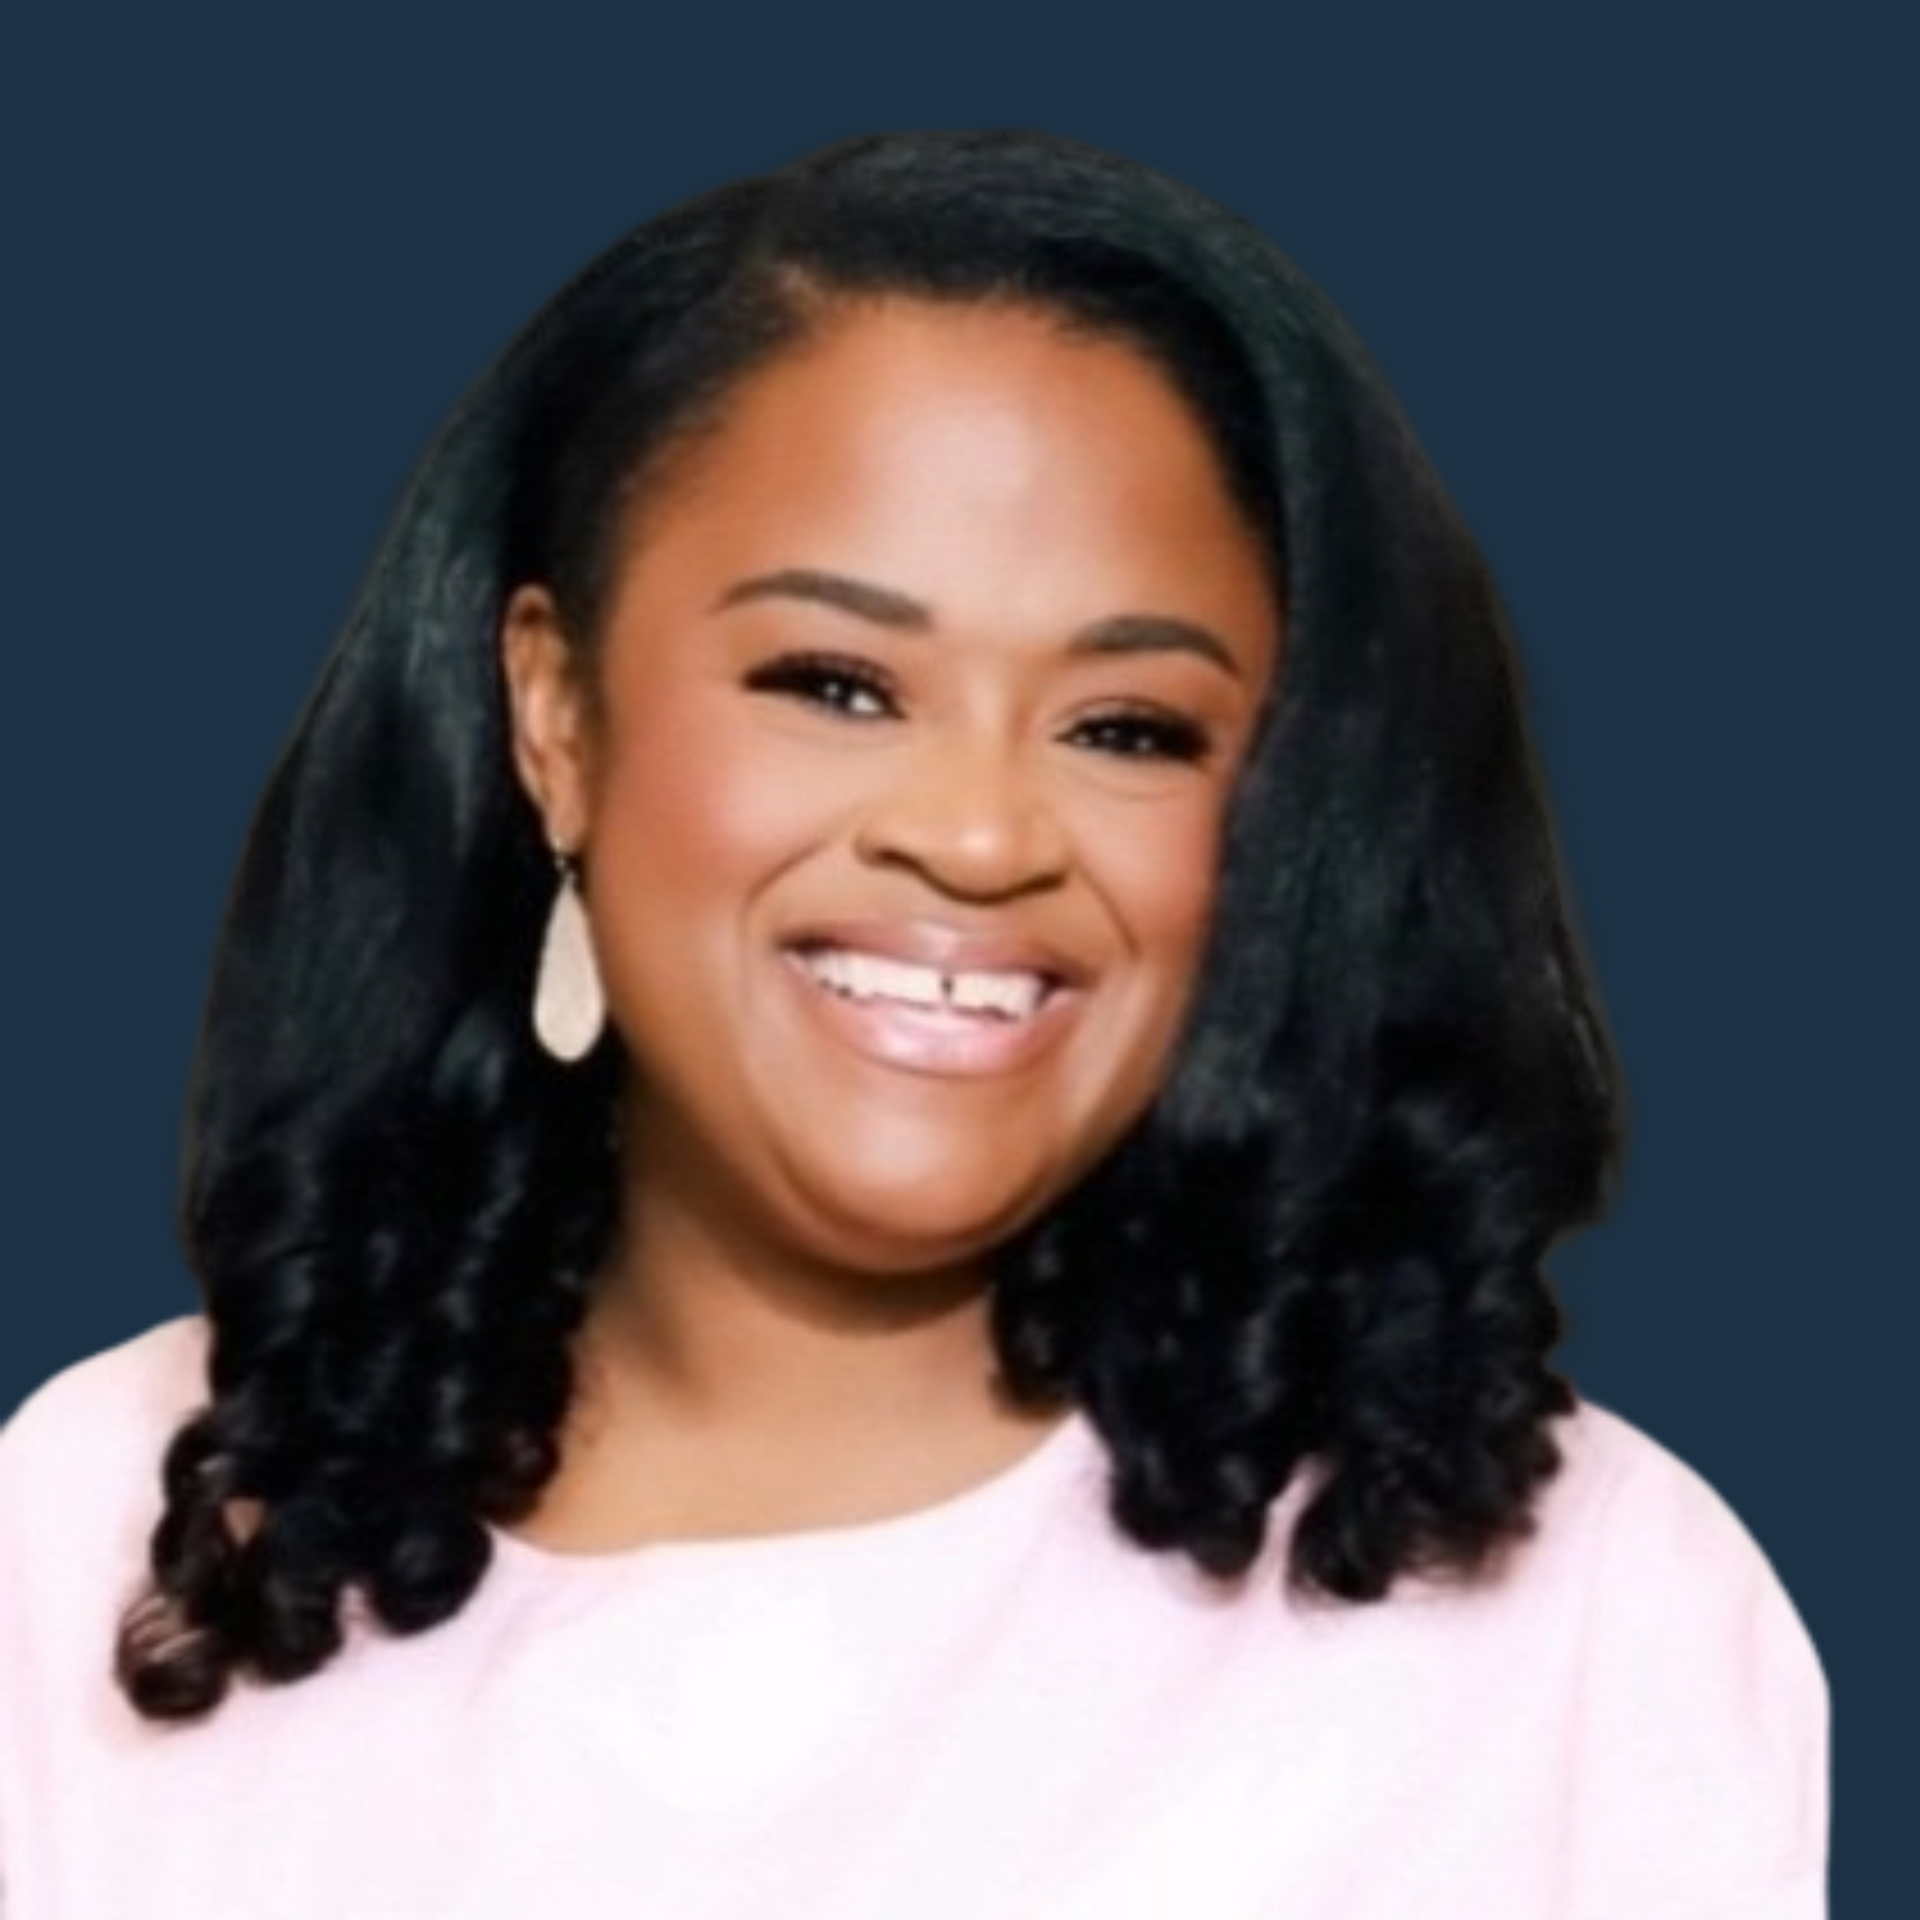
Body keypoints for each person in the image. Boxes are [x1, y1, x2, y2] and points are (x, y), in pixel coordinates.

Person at [0, 130, 1826, 1916]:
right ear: (555, 719)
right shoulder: (89, 1535)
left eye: (1128, 727)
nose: (976, 833)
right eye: (838, 683)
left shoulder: (1577, 1621)